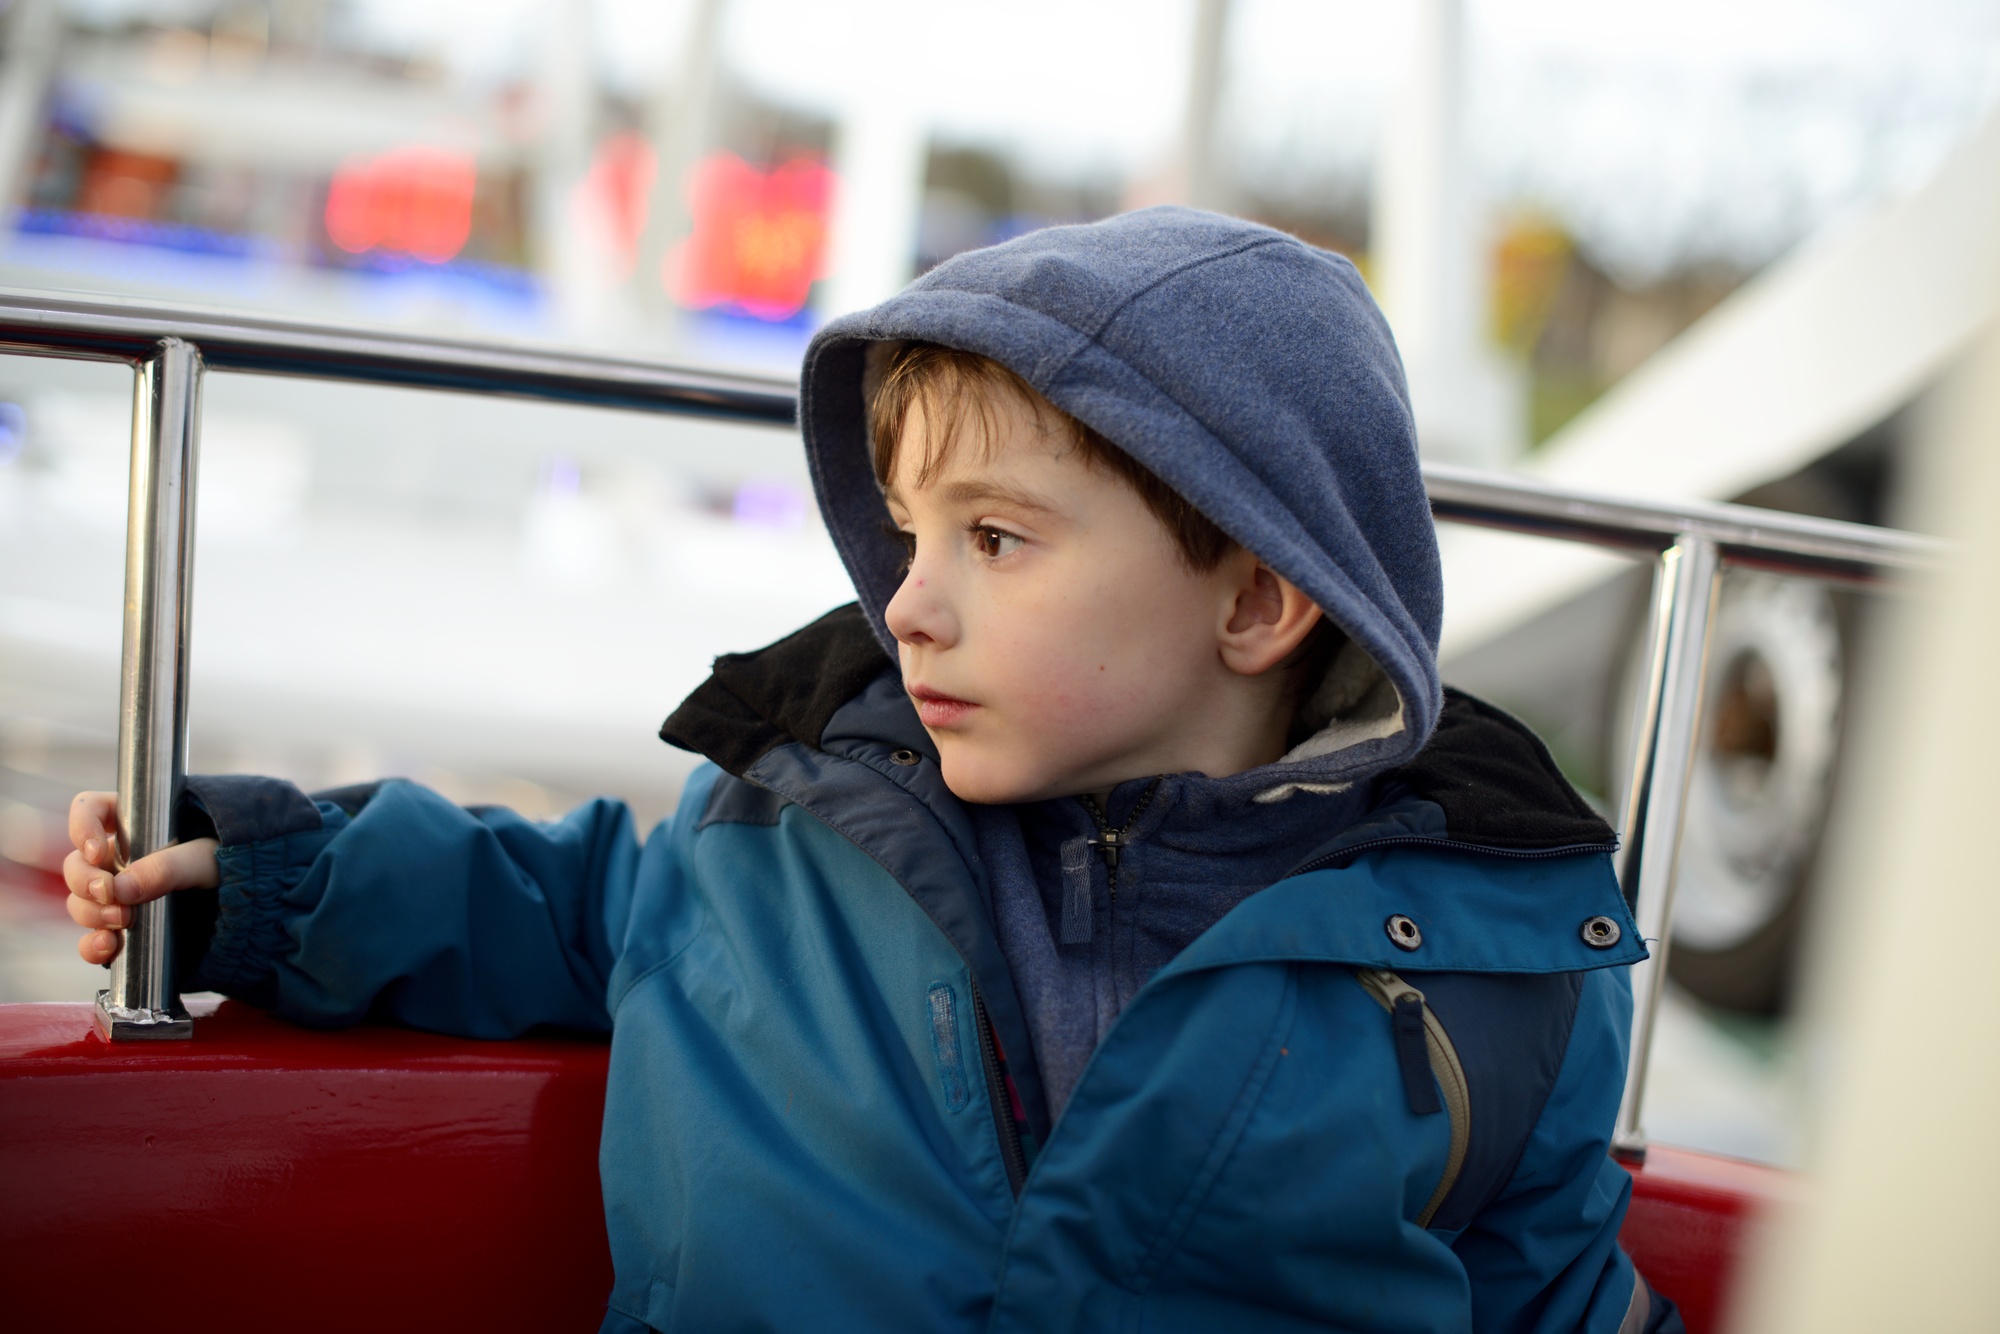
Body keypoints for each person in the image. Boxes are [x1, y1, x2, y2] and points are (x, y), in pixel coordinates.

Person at [64, 208, 1677, 1333]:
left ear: (1255, 601)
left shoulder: (1502, 966)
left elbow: (1554, 1299)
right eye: (909, 535)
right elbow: (552, 899)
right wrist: (260, 876)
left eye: (996, 538)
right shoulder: (778, 833)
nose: (906, 603)